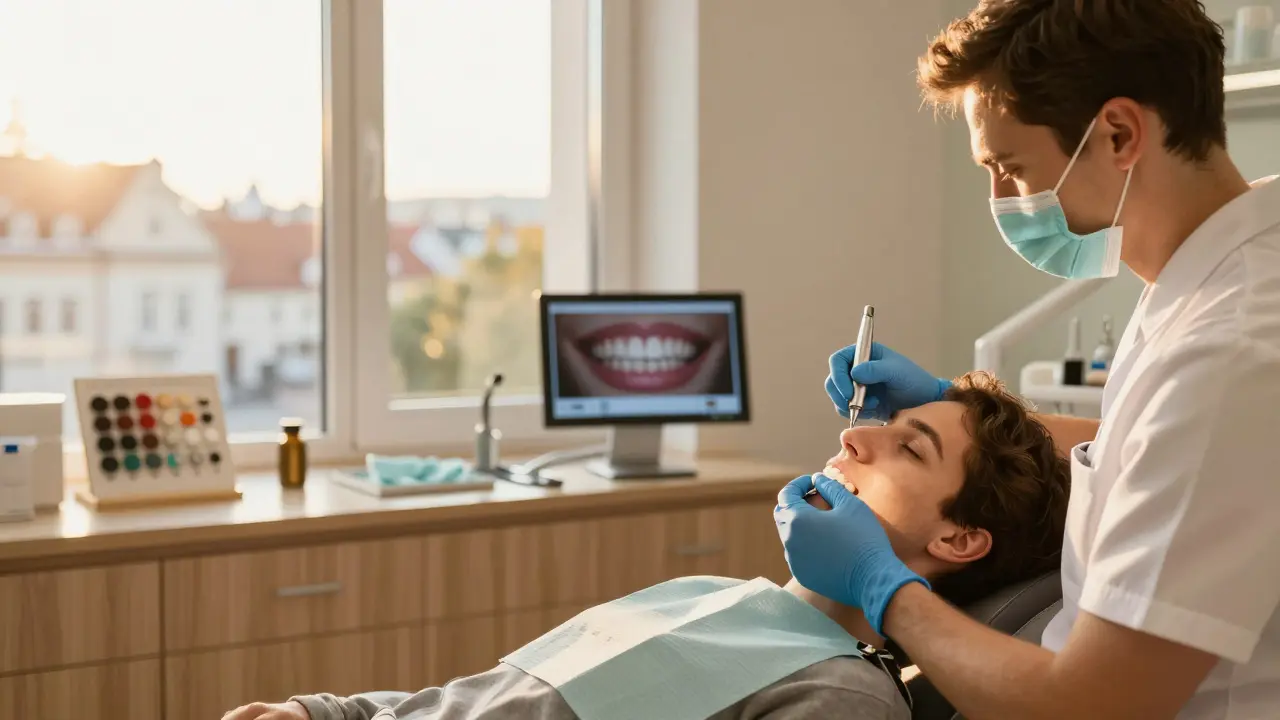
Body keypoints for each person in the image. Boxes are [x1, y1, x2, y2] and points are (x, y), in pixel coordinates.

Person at [776, 2, 1280, 718]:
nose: (1001, 200)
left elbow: (1094, 707)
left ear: (1118, 133)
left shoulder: (1232, 351)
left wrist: (882, 587)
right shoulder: (1220, 277)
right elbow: (1164, 451)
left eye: (1010, 167)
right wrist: (958, 402)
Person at [224, 372, 1068, 720]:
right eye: (875, 425)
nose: (855, 441)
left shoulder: (843, 695)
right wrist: (325, 712)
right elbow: (486, 699)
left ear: (958, 538)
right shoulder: (707, 591)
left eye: (910, 448)